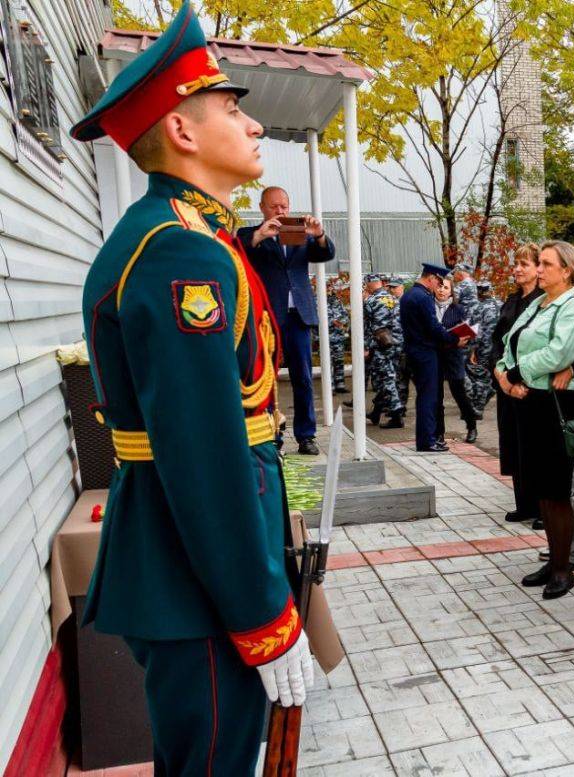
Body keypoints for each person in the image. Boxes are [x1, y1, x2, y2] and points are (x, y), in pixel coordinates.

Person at [69, 5, 312, 772]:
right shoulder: (180, 253)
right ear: (181, 131)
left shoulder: (188, 235)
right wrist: (262, 613)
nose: (254, 127)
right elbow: (204, 453)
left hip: (194, 560)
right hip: (198, 575)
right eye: (233, 109)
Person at [495, 241, 574, 599]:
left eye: (546, 264)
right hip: (528, 400)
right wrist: (504, 374)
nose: (539, 270)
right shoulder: (538, 303)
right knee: (540, 488)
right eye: (539, 263)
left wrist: (517, 373)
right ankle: (554, 557)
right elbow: (510, 339)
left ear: (567, 270)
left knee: (555, 490)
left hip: (556, 405)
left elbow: (559, 353)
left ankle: (563, 568)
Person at [236, 187, 333, 456]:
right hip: (267, 317)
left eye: (284, 206)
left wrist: (319, 235)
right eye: (275, 206)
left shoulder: (299, 233)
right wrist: (259, 235)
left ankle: (306, 436)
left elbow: (325, 254)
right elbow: (238, 249)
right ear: (262, 207)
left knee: (302, 377)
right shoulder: (250, 235)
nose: (281, 211)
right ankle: (271, 437)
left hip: (299, 316)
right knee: (266, 379)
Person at [494, 245, 544, 525]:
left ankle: (541, 508)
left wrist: (517, 380)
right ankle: (523, 503)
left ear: (539, 268)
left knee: (534, 447)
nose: (517, 269)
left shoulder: (543, 302)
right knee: (513, 443)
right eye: (516, 263)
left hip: (530, 387)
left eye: (524, 263)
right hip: (507, 386)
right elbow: (497, 342)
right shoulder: (511, 302)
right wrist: (501, 377)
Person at [400, 264, 470, 451]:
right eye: (437, 282)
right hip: (426, 354)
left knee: (425, 396)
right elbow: (433, 328)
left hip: (414, 351)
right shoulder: (423, 298)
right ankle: (427, 441)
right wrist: (455, 339)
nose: (437, 286)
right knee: (428, 398)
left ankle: (428, 438)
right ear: (430, 278)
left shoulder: (408, 295)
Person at [434, 277, 480, 443]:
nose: (441, 290)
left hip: (453, 355)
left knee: (459, 393)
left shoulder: (458, 309)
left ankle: (472, 426)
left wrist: (465, 339)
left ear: (451, 291)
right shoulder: (428, 308)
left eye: (445, 287)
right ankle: (439, 433)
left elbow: (468, 330)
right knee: (436, 397)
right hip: (435, 356)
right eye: (439, 286)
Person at [363, 274, 404, 428]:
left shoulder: (371, 301)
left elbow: (367, 327)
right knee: (386, 376)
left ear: (368, 284)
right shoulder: (393, 299)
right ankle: (376, 412)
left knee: (386, 378)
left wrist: (366, 347)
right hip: (397, 343)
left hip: (381, 345)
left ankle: (396, 413)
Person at [466, 280, 502, 417]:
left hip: (485, 348)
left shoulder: (479, 308)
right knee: (493, 375)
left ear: (479, 292)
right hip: (500, 348)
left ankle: (478, 409)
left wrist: (472, 350)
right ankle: (490, 391)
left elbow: (476, 332)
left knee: (480, 377)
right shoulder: (500, 304)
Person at [386, 277, 410, 413]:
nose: (392, 290)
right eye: (390, 287)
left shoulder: (407, 302)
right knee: (396, 377)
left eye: (394, 287)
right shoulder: (391, 303)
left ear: (402, 287)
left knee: (402, 376)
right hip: (393, 345)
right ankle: (398, 405)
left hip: (404, 346)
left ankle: (400, 405)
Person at [327, 279, 350, 394]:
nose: (331, 289)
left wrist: (342, 321)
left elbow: (345, 314)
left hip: (338, 336)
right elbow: (321, 317)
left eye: (331, 287)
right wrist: (334, 322)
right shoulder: (319, 301)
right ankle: (329, 386)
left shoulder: (337, 301)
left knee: (339, 361)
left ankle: (340, 384)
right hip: (327, 337)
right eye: (328, 287)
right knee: (328, 363)